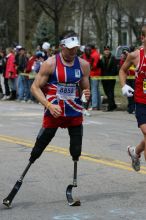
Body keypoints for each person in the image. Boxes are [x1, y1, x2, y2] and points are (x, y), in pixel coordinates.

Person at [3, 30, 90, 206]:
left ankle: (73, 185)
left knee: (76, 149)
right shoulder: (50, 64)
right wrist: (49, 105)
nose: (73, 52)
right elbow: (35, 87)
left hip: (73, 113)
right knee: (38, 147)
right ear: (61, 46)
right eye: (70, 48)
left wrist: (86, 96)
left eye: (76, 48)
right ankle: (19, 181)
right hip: (54, 112)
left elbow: (85, 90)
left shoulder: (83, 65)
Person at [119, 25, 146, 172]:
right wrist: (123, 86)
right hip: (142, 103)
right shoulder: (135, 56)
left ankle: (135, 152)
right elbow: (123, 70)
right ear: (142, 38)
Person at [100, 46, 118, 111]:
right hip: (104, 79)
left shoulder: (113, 59)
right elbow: (99, 66)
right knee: (106, 92)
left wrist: (111, 75)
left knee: (110, 92)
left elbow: (115, 69)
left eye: (108, 50)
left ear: (109, 51)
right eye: (105, 50)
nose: (106, 52)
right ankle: (113, 105)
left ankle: (110, 106)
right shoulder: (102, 58)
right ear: (104, 51)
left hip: (111, 79)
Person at [119, 47, 135, 114]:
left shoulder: (133, 59)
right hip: (127, 78)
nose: (125, 54)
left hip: (134, 78)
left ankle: (135, 107)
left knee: (135, 94)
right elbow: (121, 68)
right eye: (124, 53)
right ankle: (131, 107)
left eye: (126, 53)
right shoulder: (123, 60)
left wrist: (129, 56)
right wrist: (123, 58)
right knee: (129, 94)